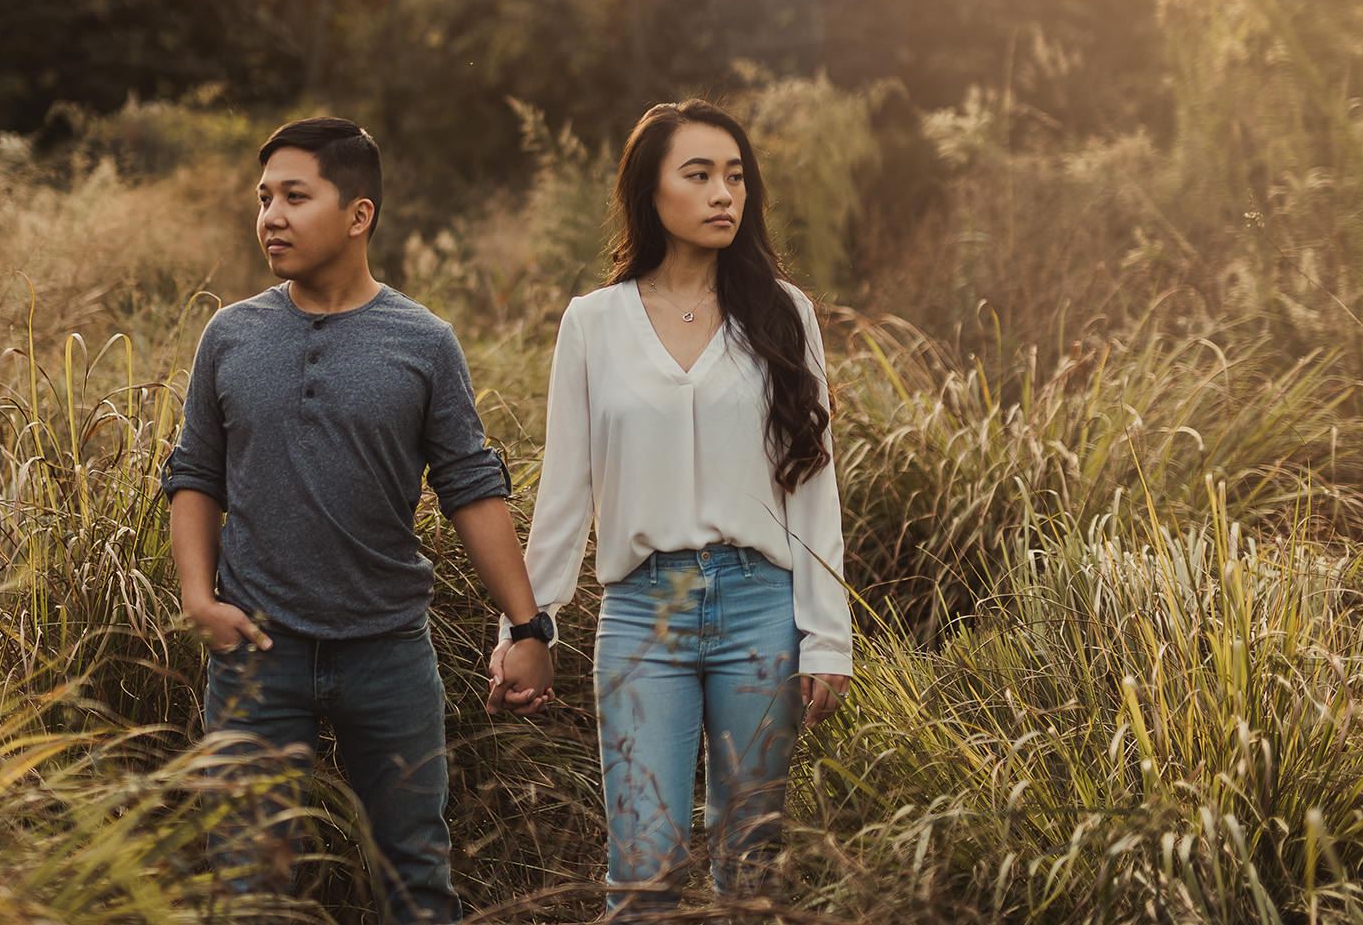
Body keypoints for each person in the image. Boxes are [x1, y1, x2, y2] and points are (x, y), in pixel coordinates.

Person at [163, 117, 554, 925]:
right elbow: (195, 473)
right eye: (264, 197)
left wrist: (528, 626)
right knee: (249, 886)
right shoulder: (229, 335)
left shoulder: (423, 341)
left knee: (416, 875)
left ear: (358, 213)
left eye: (294, 196)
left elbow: (472, 488)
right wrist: (199, 597)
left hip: (388, 650)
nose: (270, 214)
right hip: (255, 649)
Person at [489, 99, 853, 918]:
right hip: (643, 613)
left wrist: (827, 634)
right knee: (643, 869)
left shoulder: (784, 314)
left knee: (747, 865)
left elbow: (813, 481)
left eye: (735, 176)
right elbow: (565, 490)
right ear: (650, 192)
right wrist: (531, 624)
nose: (725, 193)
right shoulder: (593, 322)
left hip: (762, 606)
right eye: (699, 175)